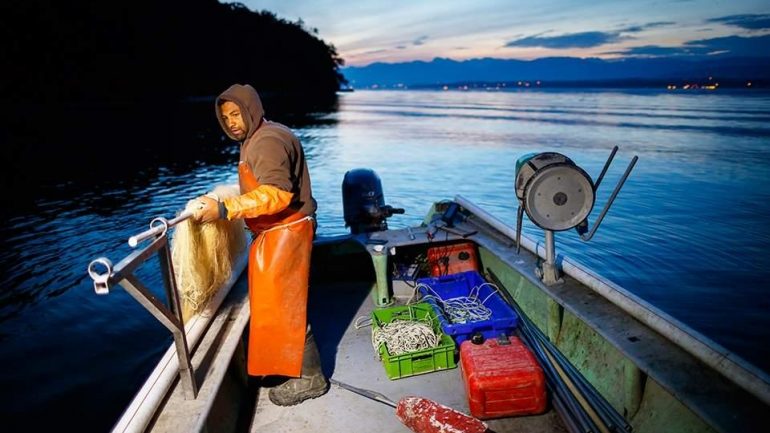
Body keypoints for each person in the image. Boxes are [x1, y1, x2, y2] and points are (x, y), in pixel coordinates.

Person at [191, 83, 328, 406]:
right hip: (277, 232)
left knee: (287, 307)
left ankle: (311, 378)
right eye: (226, 118)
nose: (232, 123)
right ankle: (285, 365)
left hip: (287, 231)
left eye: (237, 114)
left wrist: (223, 209)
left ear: (251, 110)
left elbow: (278, 194)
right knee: (274, 305)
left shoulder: (266, 141)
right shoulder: (259, 135)